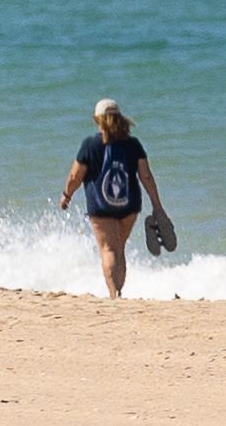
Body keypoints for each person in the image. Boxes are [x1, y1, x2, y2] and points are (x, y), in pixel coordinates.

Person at [60, 98, 164, 297]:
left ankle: (114, 293)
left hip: (101, 207)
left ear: (97, 120)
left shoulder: (90, 145)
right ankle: (119, 291)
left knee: (109, 250)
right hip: (129, 206)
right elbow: (146, 176)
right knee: (119, 248)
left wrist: (67, 196)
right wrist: (157, 206)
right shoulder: (133, 144)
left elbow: (75, 176)